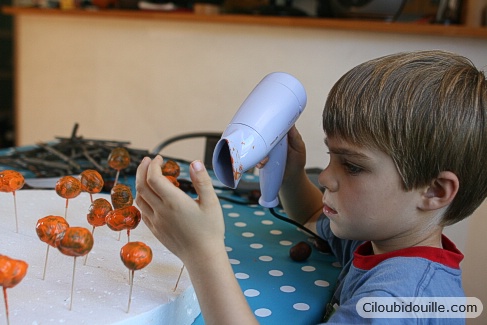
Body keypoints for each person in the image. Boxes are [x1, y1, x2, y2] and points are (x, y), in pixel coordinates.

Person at [135, 50, 487, 324]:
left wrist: (202, 252)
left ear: (436, 191)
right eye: (332, 155)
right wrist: (291, 175)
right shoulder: (384, 241)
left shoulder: (399, 302)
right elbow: (310, 213)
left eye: (351, 165)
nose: (326, 177)